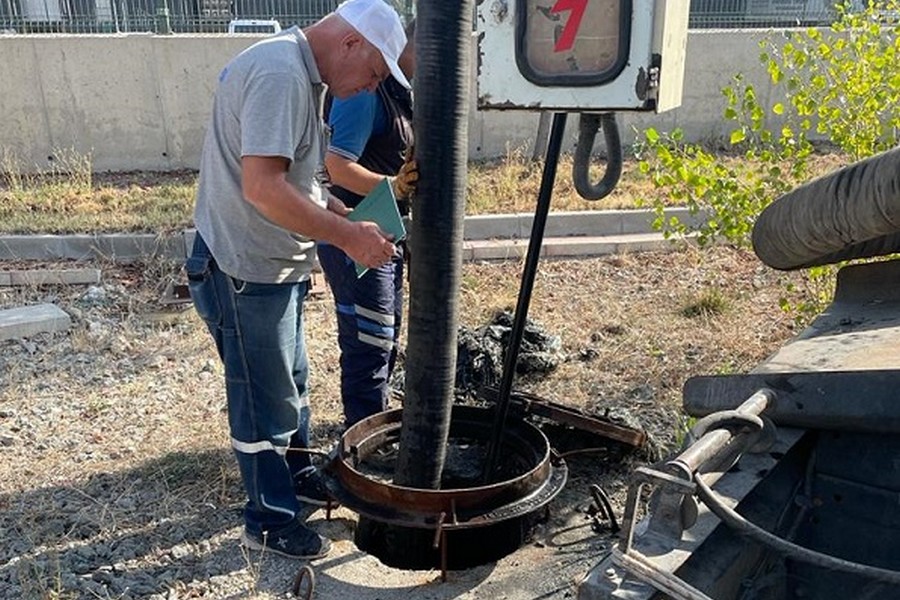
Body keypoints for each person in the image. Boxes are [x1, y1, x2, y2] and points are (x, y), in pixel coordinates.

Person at [185, 0, 409, 561]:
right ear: (353, 43)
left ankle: (296, 475)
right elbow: (263, 188)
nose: (364, 89)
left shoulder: (301, 76)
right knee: (264, 399)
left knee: (292, 383)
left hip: (270, 266)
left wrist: (345, 214)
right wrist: (344, 236)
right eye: (375, 75)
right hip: (243, 267)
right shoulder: (281, 73)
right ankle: (268, 518)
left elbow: (298, 178)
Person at [318, 18, 417, 429]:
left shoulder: (396, 92)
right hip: (354, 231)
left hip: (382, 232)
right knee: (369, 340)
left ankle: (374, 423)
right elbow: (335, 166)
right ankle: (364, 437)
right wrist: (391, 186)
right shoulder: (363, 94)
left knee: (383, 337)